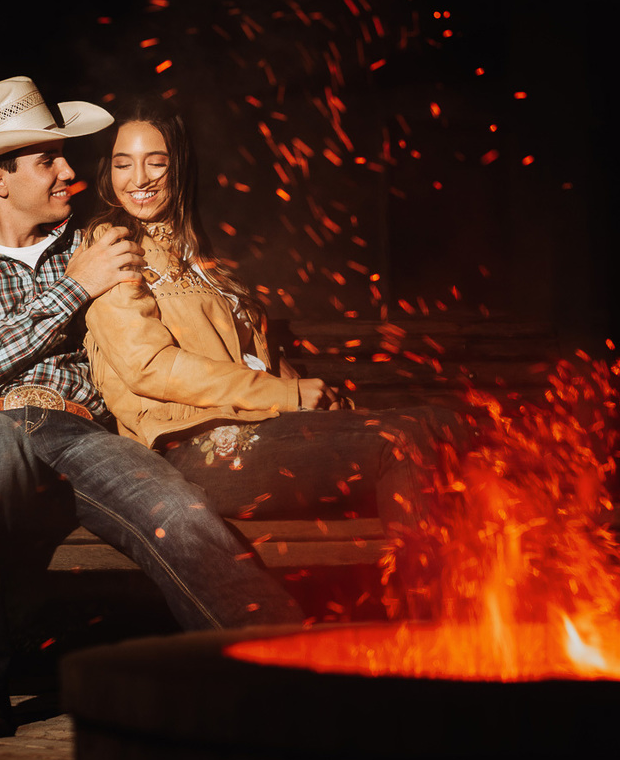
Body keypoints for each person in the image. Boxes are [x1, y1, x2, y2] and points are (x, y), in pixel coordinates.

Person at [0, 76, 303, 740]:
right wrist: (70, 292)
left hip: (75, 433)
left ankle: (292, 667)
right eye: (48, 161)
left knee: (176, 508)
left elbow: (160, 331)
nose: (69, 172)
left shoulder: (98, 244)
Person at [81, 95, 469, 620]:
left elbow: (256, 358)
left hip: (261, 431)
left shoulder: (200, 258)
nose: (139, 178)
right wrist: (288, 394)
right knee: (406, 440)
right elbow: (149, 367)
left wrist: (326, 405)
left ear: (180, 167)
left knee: (443, 425)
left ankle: (456, 630)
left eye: (157, 161)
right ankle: (435, 643)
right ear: (107, 173)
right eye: (123, 163)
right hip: (195, 449)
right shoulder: (111, 249)